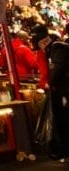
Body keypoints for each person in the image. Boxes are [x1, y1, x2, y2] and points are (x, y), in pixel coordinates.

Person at [31, 24, 69, 160]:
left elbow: (55, 70)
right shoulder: (57, 48)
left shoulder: (57, 49)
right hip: (60, 90)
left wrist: (48, 83)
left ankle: (61, 149)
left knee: (62, 120)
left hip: (62, 90)